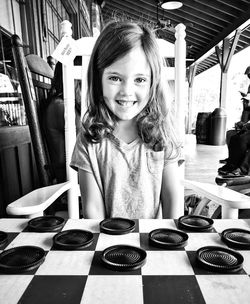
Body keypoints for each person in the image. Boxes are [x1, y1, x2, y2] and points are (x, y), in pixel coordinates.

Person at [70, 20, 182, 219]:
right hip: (106, 244)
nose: (127, 91)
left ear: (152, 84)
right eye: (114, 78)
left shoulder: (163, 136)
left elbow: (173, 205)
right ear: (99, 79)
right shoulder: (89, 141)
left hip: (155, 244)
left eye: (139, 80)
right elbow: (93, 212)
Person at [44, 61, 81, 183]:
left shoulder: (68, 104)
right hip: (71, 176)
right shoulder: (61, 106)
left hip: (79, 170)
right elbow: (86, 143)